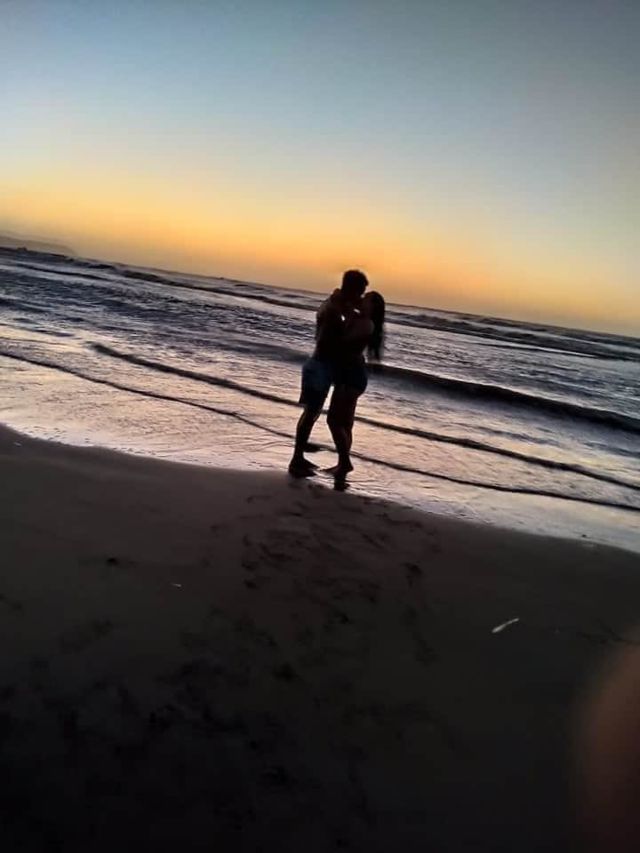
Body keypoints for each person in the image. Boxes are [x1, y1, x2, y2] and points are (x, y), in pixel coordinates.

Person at [288, 270, 368, 477]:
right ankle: (297, 458)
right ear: (352, 290)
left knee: (312, 413)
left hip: (321, 367)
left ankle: (299, 456)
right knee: (311, 413)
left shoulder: (334, 305)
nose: (360, 297)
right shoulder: (333, 310)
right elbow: (328, 341)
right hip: (320, 367)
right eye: (360, 292)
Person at [326, 290, 386, 478]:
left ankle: (345, 462)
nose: (362, 299)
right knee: (345, 423)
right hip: (349, 374)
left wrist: (346, 312)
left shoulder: (366, 324)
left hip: (351, 376)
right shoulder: (359, 318)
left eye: (366, 299)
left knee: (333, 420)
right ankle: (342, 464)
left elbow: (343, 340)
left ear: (373, 307)